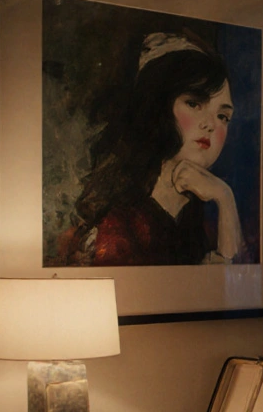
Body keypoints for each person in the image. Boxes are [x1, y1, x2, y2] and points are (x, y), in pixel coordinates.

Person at [59, 31, 245, 266]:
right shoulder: (119, 227)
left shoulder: (200, 219)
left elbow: (240, 285)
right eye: (193, 103)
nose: (210, 124)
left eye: (223, 116)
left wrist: (225, 198)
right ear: (159, 108)